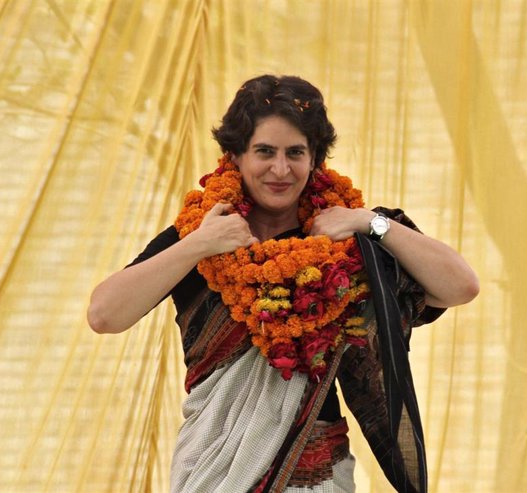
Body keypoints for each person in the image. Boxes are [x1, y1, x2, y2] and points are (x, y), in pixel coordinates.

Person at [87, 74, 479, 493]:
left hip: (317, 476)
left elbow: (460, 287)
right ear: (235, 155)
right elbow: (104, 315)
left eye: (295, 152)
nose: (280, 169)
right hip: (214, 470)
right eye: (264, 152)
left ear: (315, 159)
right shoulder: (202, 237)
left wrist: (371, 222)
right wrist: (199, 244)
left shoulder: (347, 246)